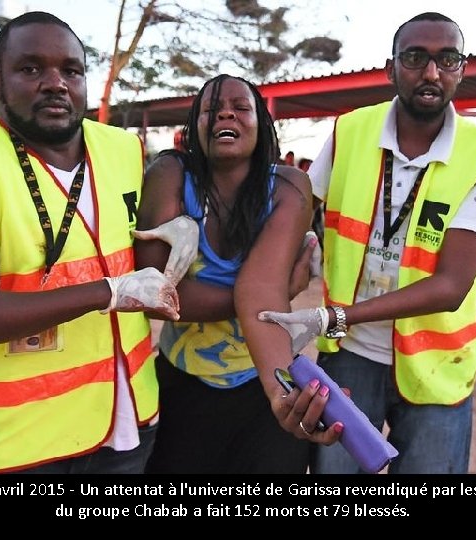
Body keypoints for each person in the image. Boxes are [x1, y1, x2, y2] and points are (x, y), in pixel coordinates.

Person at [0, 11, 195, 474]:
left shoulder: (122, 149)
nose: (56, 83)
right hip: (21, 447)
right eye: (31, 69)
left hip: (130, 426)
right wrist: (109, 292)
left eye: (72, 70)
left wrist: (183, 228)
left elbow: (142, 257)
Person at [259, 12, 476, 474]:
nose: (431, 73)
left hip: (437, 363)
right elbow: (298, 212)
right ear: (391, 67)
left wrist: (337, 316)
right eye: (416, 57)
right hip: (351, 356)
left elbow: (452, 285)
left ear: (463, 68)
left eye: (448, 59)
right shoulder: (349, 131)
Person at [133, 74, 340, 474]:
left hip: (265, 379)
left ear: (262, 124)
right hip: (183, 385)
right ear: (194, 126)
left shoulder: (288, 186)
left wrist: (281, 395)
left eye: (241, 107)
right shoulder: (171, 174)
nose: (226, 112)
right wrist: (280, 293)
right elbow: (153, 295)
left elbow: (258, 287)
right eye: (211, 109)